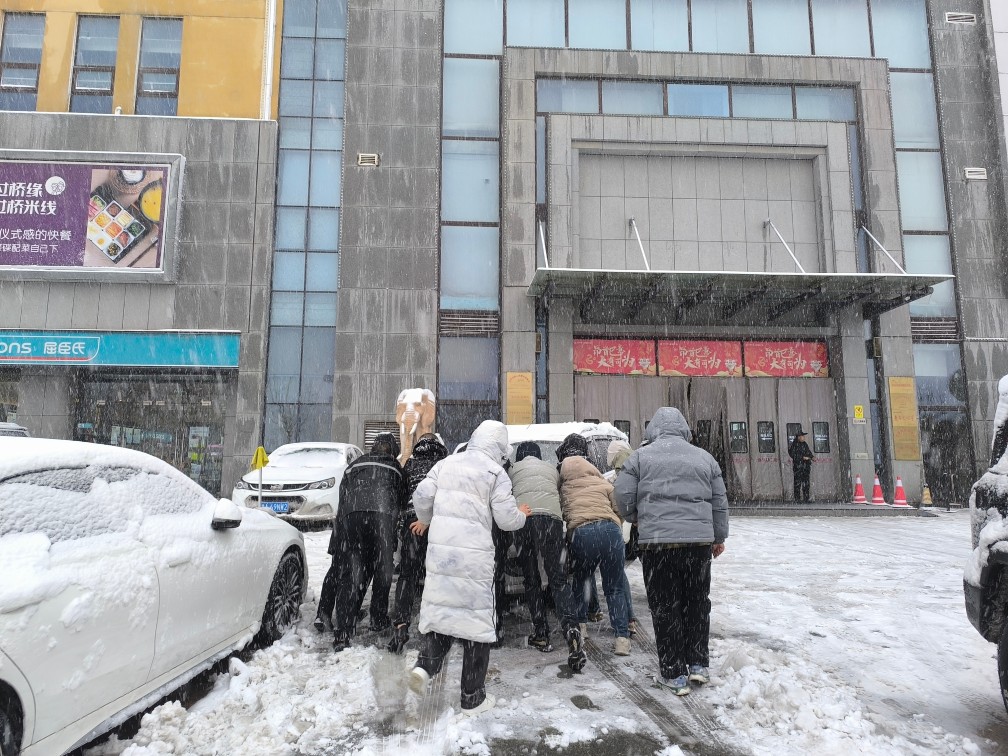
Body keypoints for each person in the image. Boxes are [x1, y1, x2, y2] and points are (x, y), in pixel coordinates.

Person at [407, 420, 531, 715]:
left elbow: (421, 496)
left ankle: (424, 667)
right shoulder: (495, 473)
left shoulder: (446, 464)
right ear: (499, 448)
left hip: (442, 554)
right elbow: (506, 520)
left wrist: (426, 518)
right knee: (476, 625)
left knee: (443, 612)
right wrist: (522, 515)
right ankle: (472, 697)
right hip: (475, 559)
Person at [614, 407, 728, 696]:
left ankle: (674, 673)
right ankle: (698, 664)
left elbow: (622, 494)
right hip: (698, 545)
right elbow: (719, 501)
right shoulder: (705, 458)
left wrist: (634, 516)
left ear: (653, 429)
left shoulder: (640, 457)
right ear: (684, 429)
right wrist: (718, 537)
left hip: (658, 545)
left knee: (666, 607)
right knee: (697, 602)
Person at [509, 441, 587, 670]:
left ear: (520, 456)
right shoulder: (551, 469)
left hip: (524, 519)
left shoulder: (513, 470)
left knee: (531, 578)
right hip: (551, 520)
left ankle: (541, 633)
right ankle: (571, 629)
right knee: (558, 580)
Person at [332, 432, 408, 651]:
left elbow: (343, 496)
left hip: (352, 518)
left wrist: (342, 529)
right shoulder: (396, 468)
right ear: (393, 451)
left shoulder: (354, 465)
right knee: (383, 570)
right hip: (382, 518)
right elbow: (403, 500)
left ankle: (343, 631)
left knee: (351, 574)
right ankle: (378, 617)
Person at [557, 433, 631, 657]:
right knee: (615, 587)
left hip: (582, 533)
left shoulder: (563, 485)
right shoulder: (601, 481)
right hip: (610, 532)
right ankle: (622, 638)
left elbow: (560, 513)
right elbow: (619, 508)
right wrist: (613, 523)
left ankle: (581, 627)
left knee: (582, 580)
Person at [387, 433, 448, 654]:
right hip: (439, 523)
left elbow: (401, 496)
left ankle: (401, 625)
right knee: (438, 575)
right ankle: (438, 627)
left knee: (408, 574)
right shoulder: (444, 466)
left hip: (412, 524)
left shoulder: (410, 465)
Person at [788, 428, 814, 503]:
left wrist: (812, 457)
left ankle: (806, 498)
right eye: (802, 436)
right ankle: (797, 499)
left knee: (806, 483)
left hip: (806, 467)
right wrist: (802, 458)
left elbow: (808, 452)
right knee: (797, 483)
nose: (804, 437)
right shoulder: (794, 445)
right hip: (798, 467)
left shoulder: (804, 444)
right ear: (799, 437)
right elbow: (793, 455)